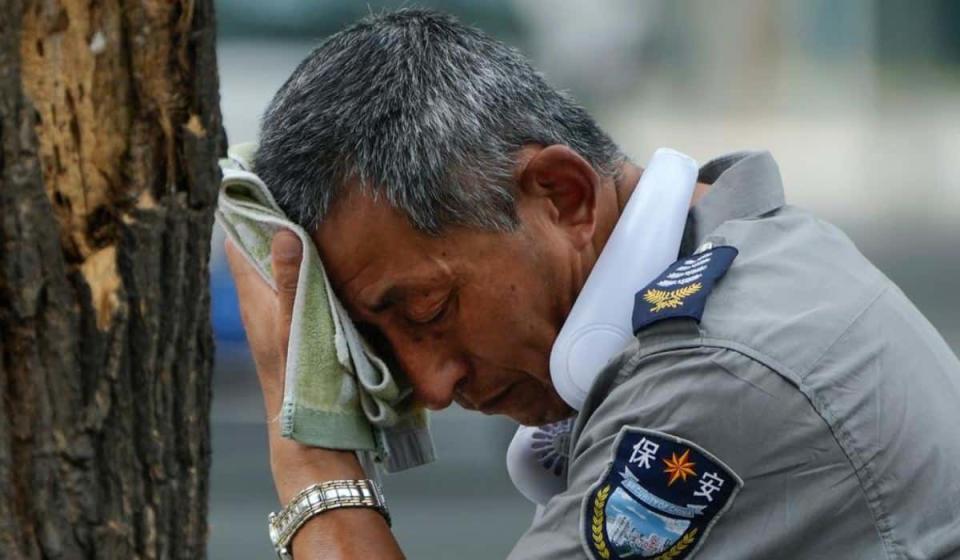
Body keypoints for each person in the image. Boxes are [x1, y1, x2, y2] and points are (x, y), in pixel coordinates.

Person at [225, 9, 960, 560]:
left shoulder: (710, 380)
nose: (433, 383)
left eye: (429, 308)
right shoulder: (748, 251)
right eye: (380, 345)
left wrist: (313, 457)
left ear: (564, 195)